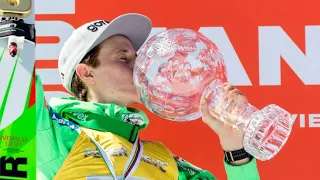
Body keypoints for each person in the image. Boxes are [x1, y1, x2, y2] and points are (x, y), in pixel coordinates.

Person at [36, 13, 260, 179]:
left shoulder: (164, 161)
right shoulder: (54, 134)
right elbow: (14, 92)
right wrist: (12, 28)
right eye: (123, 59)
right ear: (87, 73)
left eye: (137, 57)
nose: (140, 68)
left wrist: (235, 148)